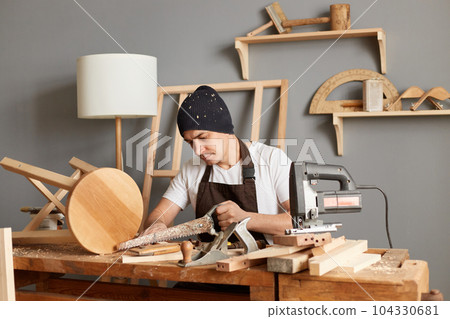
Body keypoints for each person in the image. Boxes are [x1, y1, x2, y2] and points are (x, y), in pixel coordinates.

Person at [142, 85, 292, 243]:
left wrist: (245, 219)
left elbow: (298, 222)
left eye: (203, 137)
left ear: (226, 130)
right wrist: (156, 225)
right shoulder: (191, 169)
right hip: (208, 264)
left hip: (263, 263)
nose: (198, 150)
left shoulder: (272, 159)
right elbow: (160, 213)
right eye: (190, 142)